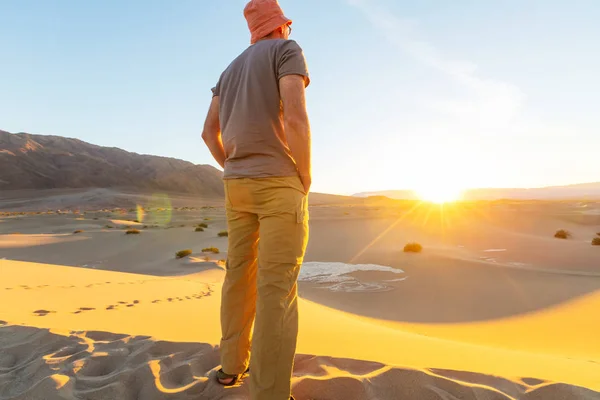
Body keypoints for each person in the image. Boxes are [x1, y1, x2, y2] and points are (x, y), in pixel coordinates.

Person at [201, 0, 312, 399]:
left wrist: (232, 165)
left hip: (237, 186)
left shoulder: (229, 70)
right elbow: (296, 116)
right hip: (278, 183)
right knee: (276, 288)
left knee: (238, 275)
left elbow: (207, 132)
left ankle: (231, 368)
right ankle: (269, 392)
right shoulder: (288, 50)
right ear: (279, 26)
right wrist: (304, 174)